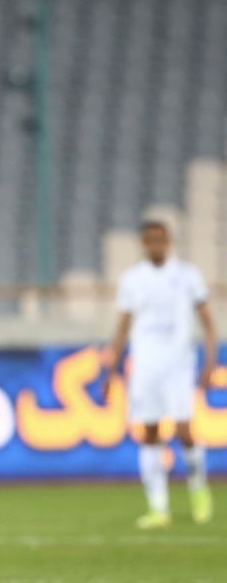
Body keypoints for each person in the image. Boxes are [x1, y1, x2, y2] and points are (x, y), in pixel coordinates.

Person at [102, 219, 217, 528]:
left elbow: (207, 321)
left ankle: (199, 490)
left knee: (183, 430)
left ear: (169, 241)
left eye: (160, 238)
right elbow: (123, 325)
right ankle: (158, 507)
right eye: (150, 239)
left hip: (178, 364)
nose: (156, 244)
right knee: (149, 432)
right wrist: (110, 369)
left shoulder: (187, 275)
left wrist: (210, 361)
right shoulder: (132, 280)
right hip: (145, 365)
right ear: (143, 243)